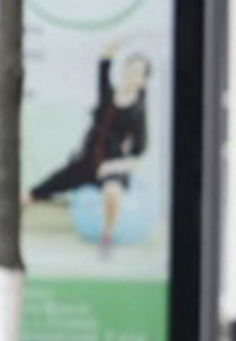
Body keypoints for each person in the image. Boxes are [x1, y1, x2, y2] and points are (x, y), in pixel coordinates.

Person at [24, 39, 150, 249]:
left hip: (112, 166)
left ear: (143, 80)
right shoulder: (107, 94)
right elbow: (105, 57)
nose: (131, 73)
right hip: (86, 161)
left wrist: (112, 167)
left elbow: (138, 154)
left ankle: (106, 236)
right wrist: (131, 36)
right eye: (129, 67)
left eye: (138, 71)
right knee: (37, 191)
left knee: (112, 192)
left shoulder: (138, 112)